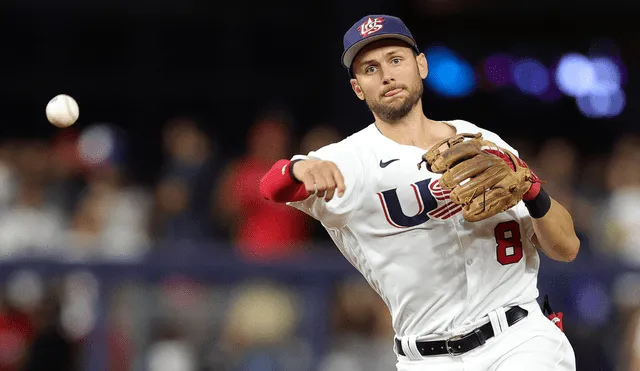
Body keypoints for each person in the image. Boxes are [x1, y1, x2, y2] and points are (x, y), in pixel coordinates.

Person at [259, 14, 579, 371]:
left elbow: (567, 248)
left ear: (421, 65)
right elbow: (271, 186)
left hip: (519, 340)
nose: (386, 75)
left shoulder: (482, 142)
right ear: (357, 88)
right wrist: (297, 168)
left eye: (396, 60)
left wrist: (533, 191)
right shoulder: (349, 160)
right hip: (426, 357)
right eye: (370, 69)